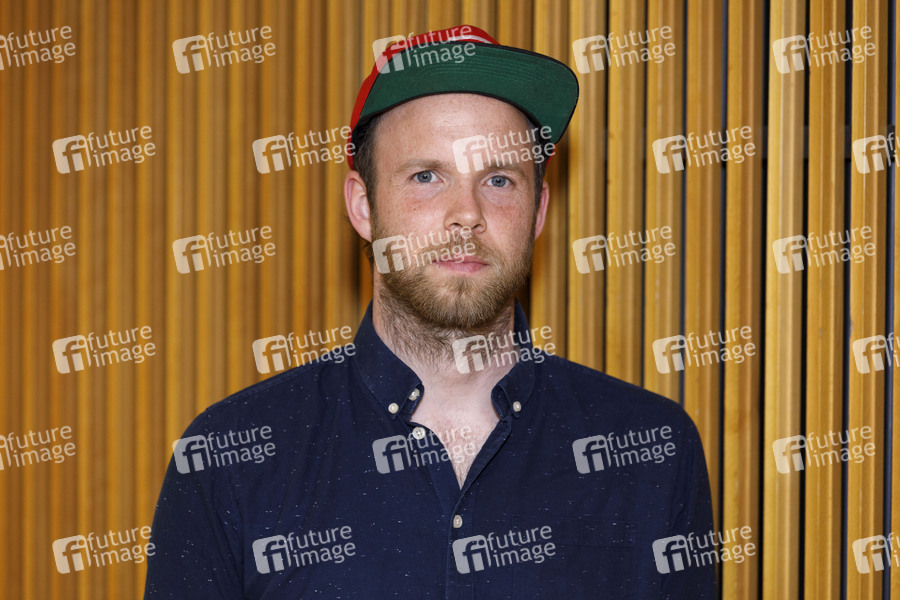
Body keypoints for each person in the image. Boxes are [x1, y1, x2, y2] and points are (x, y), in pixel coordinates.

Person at [145, 25, 716, 599]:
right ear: (364, 207)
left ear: (538, 211)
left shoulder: (652, 450)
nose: (466, 213)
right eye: (426, 176)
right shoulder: (229, 460)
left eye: (499, 179)